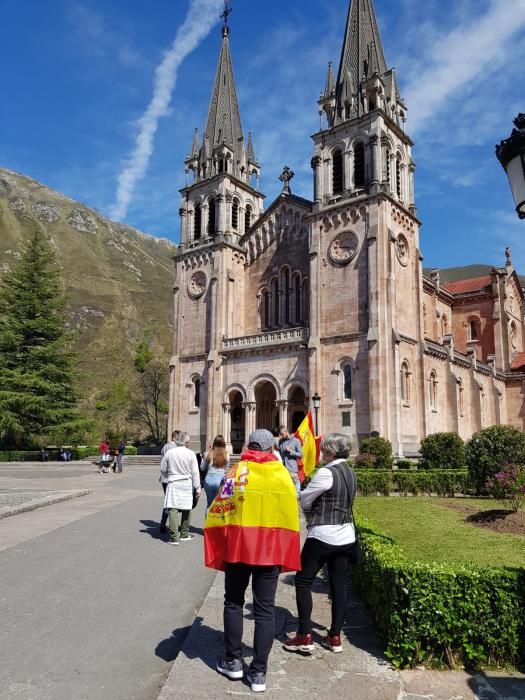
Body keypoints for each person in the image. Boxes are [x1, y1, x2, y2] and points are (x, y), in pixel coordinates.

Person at [205, 429, 301, 693]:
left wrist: (218, 537)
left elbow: (220, 508)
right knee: (265, 610)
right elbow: (290, 514)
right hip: (268, 551)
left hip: (238, 549)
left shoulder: (235, 472)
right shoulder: (282, 475)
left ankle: (233, 660)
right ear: (271, 449)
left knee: (234, 602)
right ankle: (258, 672)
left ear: (249, 446)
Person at [283, 433, 357, 655]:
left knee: (303, 580)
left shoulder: (326, 472)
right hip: (346, 536)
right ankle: (334, 637)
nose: (322, 454)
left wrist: (310, 511)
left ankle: (304, 635)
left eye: (324, 450)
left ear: (331, 452)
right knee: (339, 585)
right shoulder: (351, 471)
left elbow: (305, 498)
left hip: (324, 535)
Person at [160, 431, 201, 546]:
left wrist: (169, 476)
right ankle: (184, 534)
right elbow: (195, 473)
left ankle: (174, 537)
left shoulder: (170, 453)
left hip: (173, 482)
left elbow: (163, 468)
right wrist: (198, 487)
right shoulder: (191, 454)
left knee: (172, 509)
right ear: (186, 442)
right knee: (187, 508)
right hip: (186, 483)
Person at [159, 431, 180, 533]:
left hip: (164, 478)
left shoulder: (165, 447)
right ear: (176, 438)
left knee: (168, 501)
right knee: (171, 502)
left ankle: (164, 524)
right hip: (171, 478)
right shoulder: (174, 449)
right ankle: (170, 525)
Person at [200, 435, 229, 508]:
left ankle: (207, 519)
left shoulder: (208, 453)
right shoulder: (226, 454)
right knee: (220, 506)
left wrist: (203, 459)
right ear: (224, 443)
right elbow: (226, 471)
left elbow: (202, 468)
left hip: (208, 481)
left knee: (209, 505)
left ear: (214, 443)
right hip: (220, 481)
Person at [278, 425, 303, 494]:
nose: (280, 436)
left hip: (292, 469)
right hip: (283, 469)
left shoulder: (296, 441)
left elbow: (300, 455)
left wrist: (290, 451)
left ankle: (297, 499)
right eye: (280, 434)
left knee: (295, 485)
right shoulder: (280, 441)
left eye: (282, 434)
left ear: (286, 432)